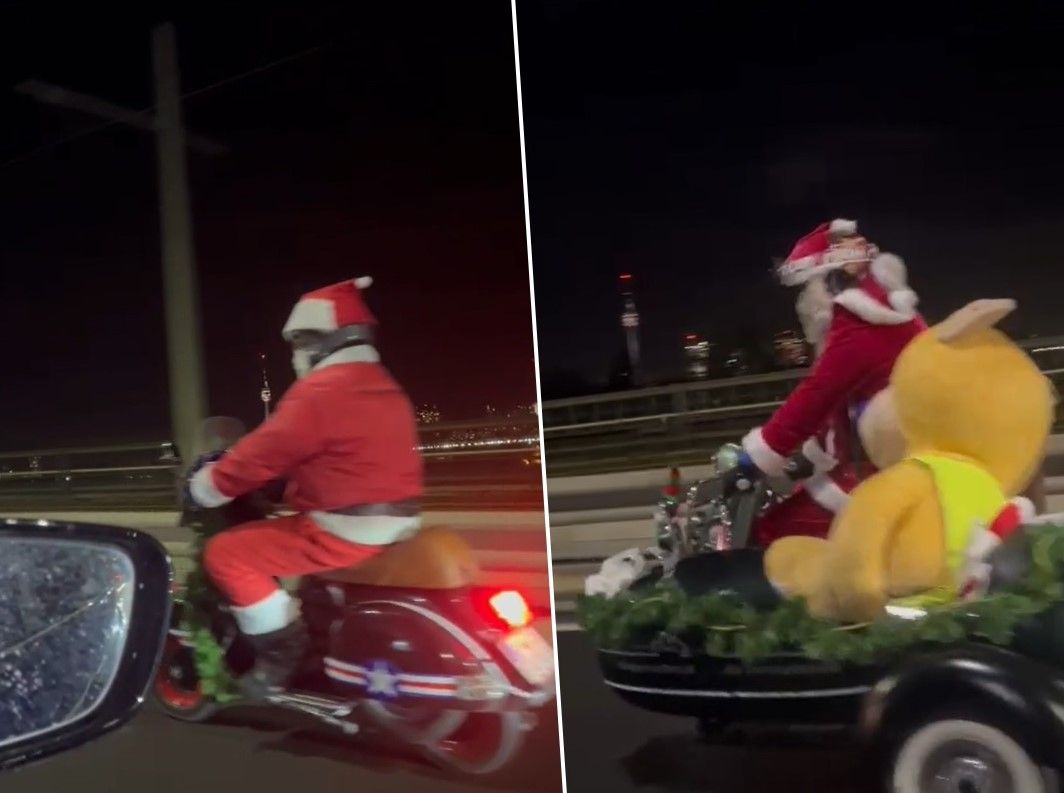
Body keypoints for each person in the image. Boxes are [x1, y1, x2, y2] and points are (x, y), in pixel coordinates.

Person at [188, 277, 423, 697]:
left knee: (226, 554)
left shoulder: (322, 391)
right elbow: (347, 461)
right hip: (395, 519)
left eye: (299, 342)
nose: (295, 354)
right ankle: (321, 642)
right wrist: (288, 488)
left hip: (346, 528)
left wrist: (207, 485)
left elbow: (263, 452)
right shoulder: (381, 384)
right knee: (303, 565)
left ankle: (282, 655)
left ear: (322, 341)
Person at [726, 219, 927, 546]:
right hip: (886, 463)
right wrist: (809, 456)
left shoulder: (862, 325)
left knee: (773, 534)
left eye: (809, 287)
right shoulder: (885, 313)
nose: (803, 303)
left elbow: (817, 395)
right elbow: (841, 406)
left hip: (882, 475)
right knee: (800, 502)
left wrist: (759, 455)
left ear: (833, 279)